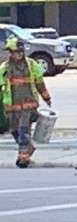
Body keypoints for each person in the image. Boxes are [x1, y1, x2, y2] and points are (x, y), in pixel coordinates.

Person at [0, 37, 51, 167]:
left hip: (28, 105)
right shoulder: (4, 68)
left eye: (20, 51)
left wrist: (46, 97)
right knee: (14, 131)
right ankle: (29, 148)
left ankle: (23, 158)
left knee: (23, 131)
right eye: (15, 52)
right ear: (10, 53)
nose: (19, 54)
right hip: (11, 107)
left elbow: (40, 83)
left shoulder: (32, 65)